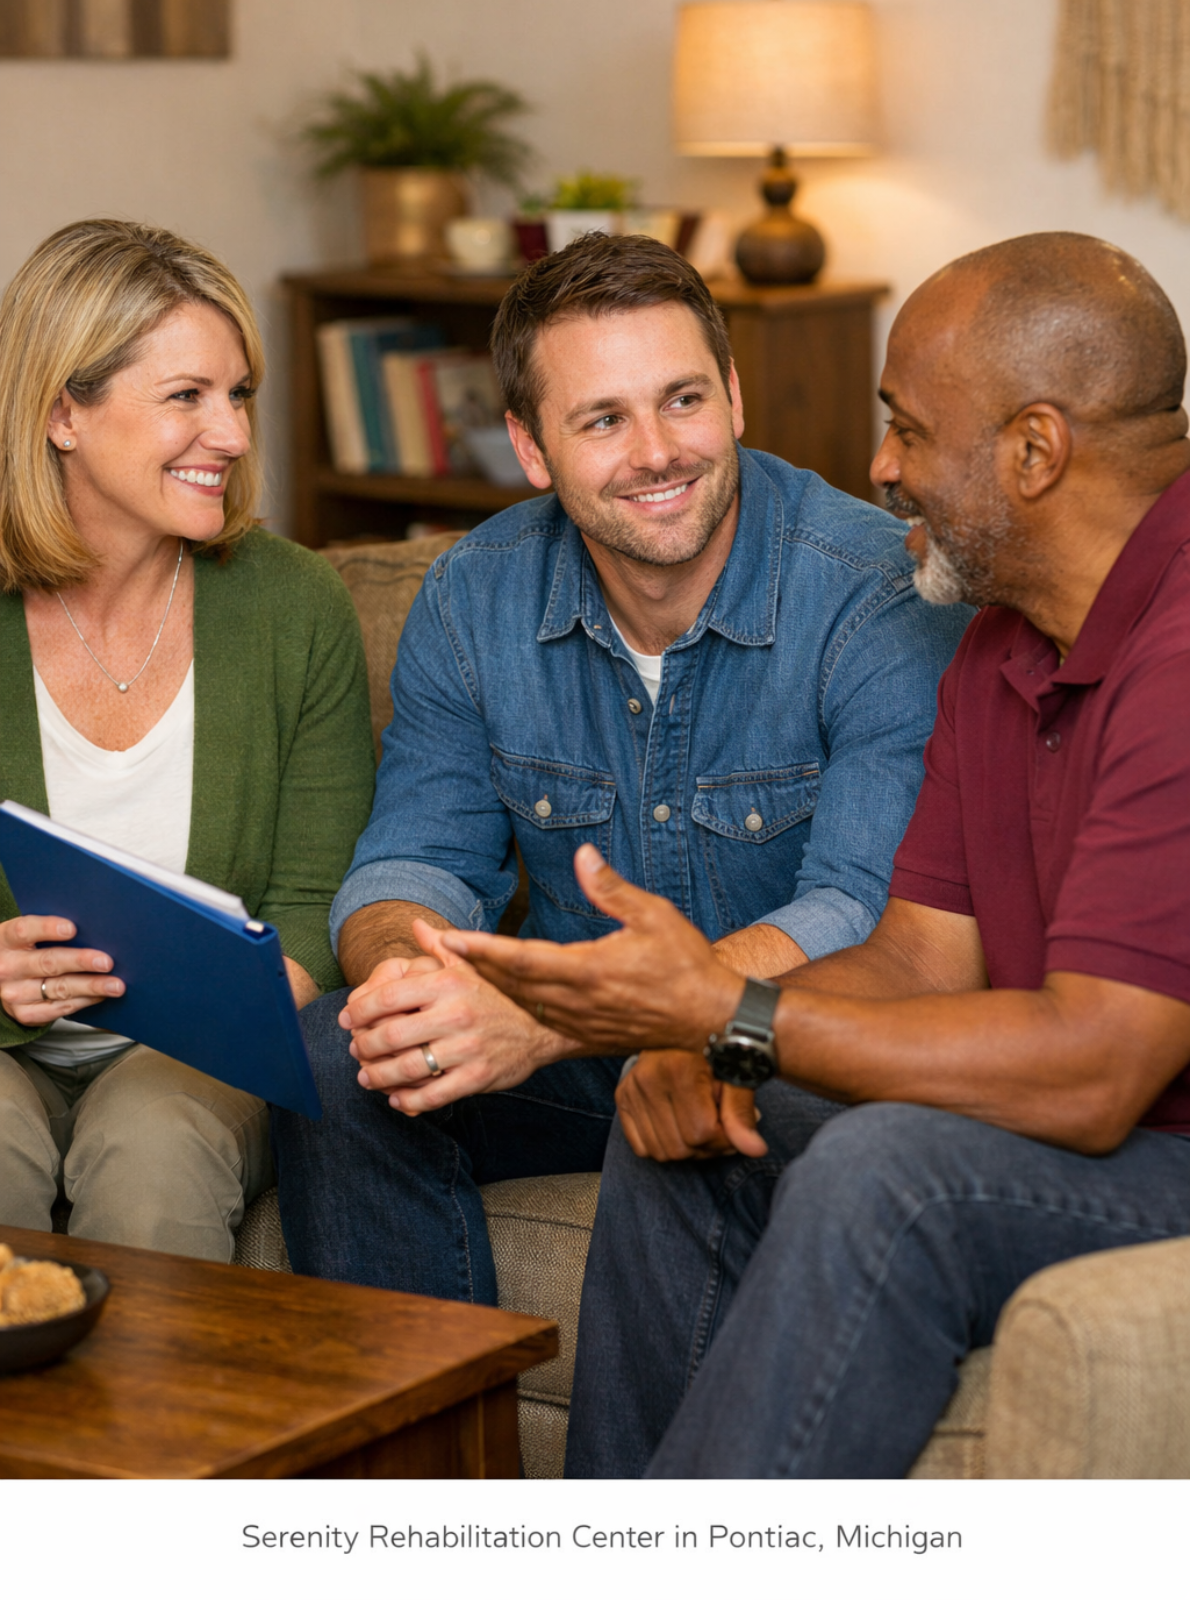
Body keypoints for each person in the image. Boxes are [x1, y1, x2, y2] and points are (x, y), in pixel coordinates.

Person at [446, 232, 1190, 1477]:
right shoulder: (999, 643)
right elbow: (916, 958)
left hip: (1167, 1145)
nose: (879, 466)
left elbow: (1099, 1068)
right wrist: (701, 1038)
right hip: (1088, 1122)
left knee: (883, 1169)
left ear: (1035, 449)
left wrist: (727, 1004)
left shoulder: (1183, 655)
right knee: (683, 1101)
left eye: (908, 427)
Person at [271, 231, 968, 1302]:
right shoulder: (473, 595)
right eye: (603, 418)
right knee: (340, 1058)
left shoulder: (870, 592)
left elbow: (860, 910)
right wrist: (410, 985)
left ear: (734, 396)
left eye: (683, 399)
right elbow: (410, 861)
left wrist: (560, 1017)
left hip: (781, 1053)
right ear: (532, 447)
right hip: (570, 1067)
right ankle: (423, 1459)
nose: (656, 450)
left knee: (704, 1077)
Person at [0, 220, 375, 1261]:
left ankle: (163, 1433)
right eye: (186, 397)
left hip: (204, 1050)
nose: (235, 435)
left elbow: (317, 907)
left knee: (153, 1147)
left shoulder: (294, 605)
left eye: (238, 394)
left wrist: (222, 1003)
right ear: (61, 412)